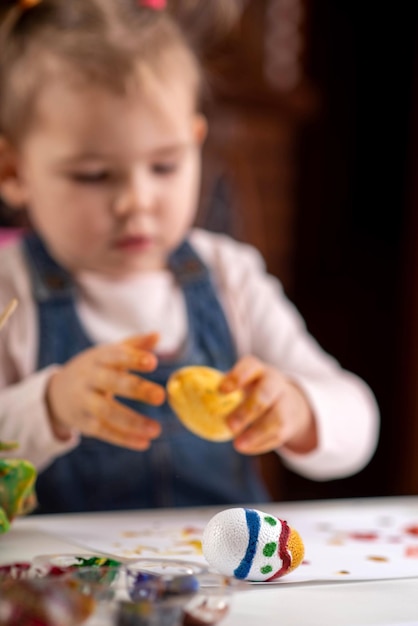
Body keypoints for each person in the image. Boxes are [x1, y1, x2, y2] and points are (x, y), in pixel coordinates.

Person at [0, 0, 379, 514]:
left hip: (225, 575)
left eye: (164, 165)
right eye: (93, 175)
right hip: (69, 586)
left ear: (196, 144)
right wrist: (48, 406)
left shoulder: (229, 275)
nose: (137, 200)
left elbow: (358, 421)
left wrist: (299, 408)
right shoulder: (12, 291)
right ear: (13, 171)